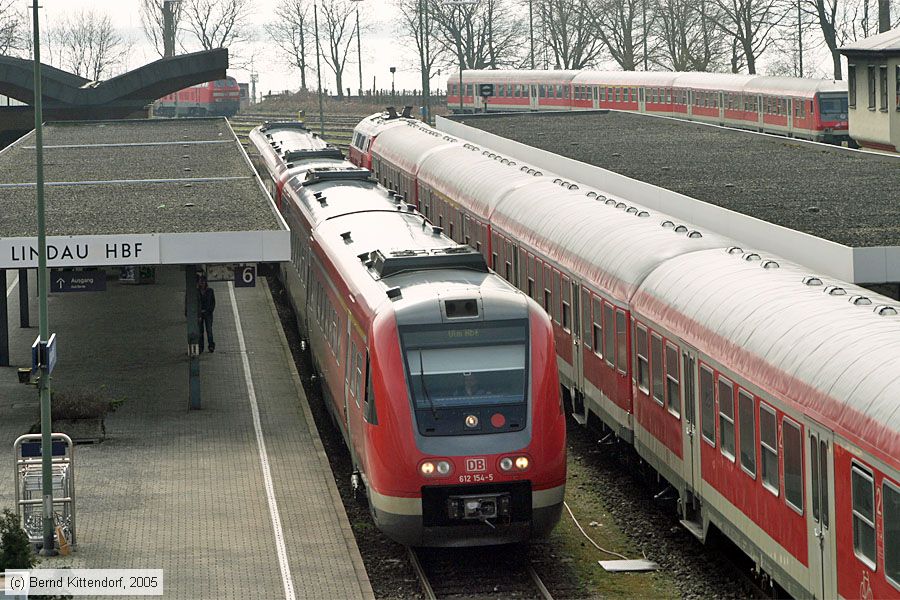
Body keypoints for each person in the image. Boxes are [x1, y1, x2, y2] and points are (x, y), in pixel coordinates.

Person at [198, 277, 216, 353]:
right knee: (200, 331)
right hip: (200, 314)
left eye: (203, 282)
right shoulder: (197, 291)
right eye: (200, 282)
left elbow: (213, 302)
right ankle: (201, 347)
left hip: (208, 314)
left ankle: (211, 345)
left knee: (209, 330)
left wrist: (209, 310)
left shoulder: (210, 291)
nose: (202, 284)